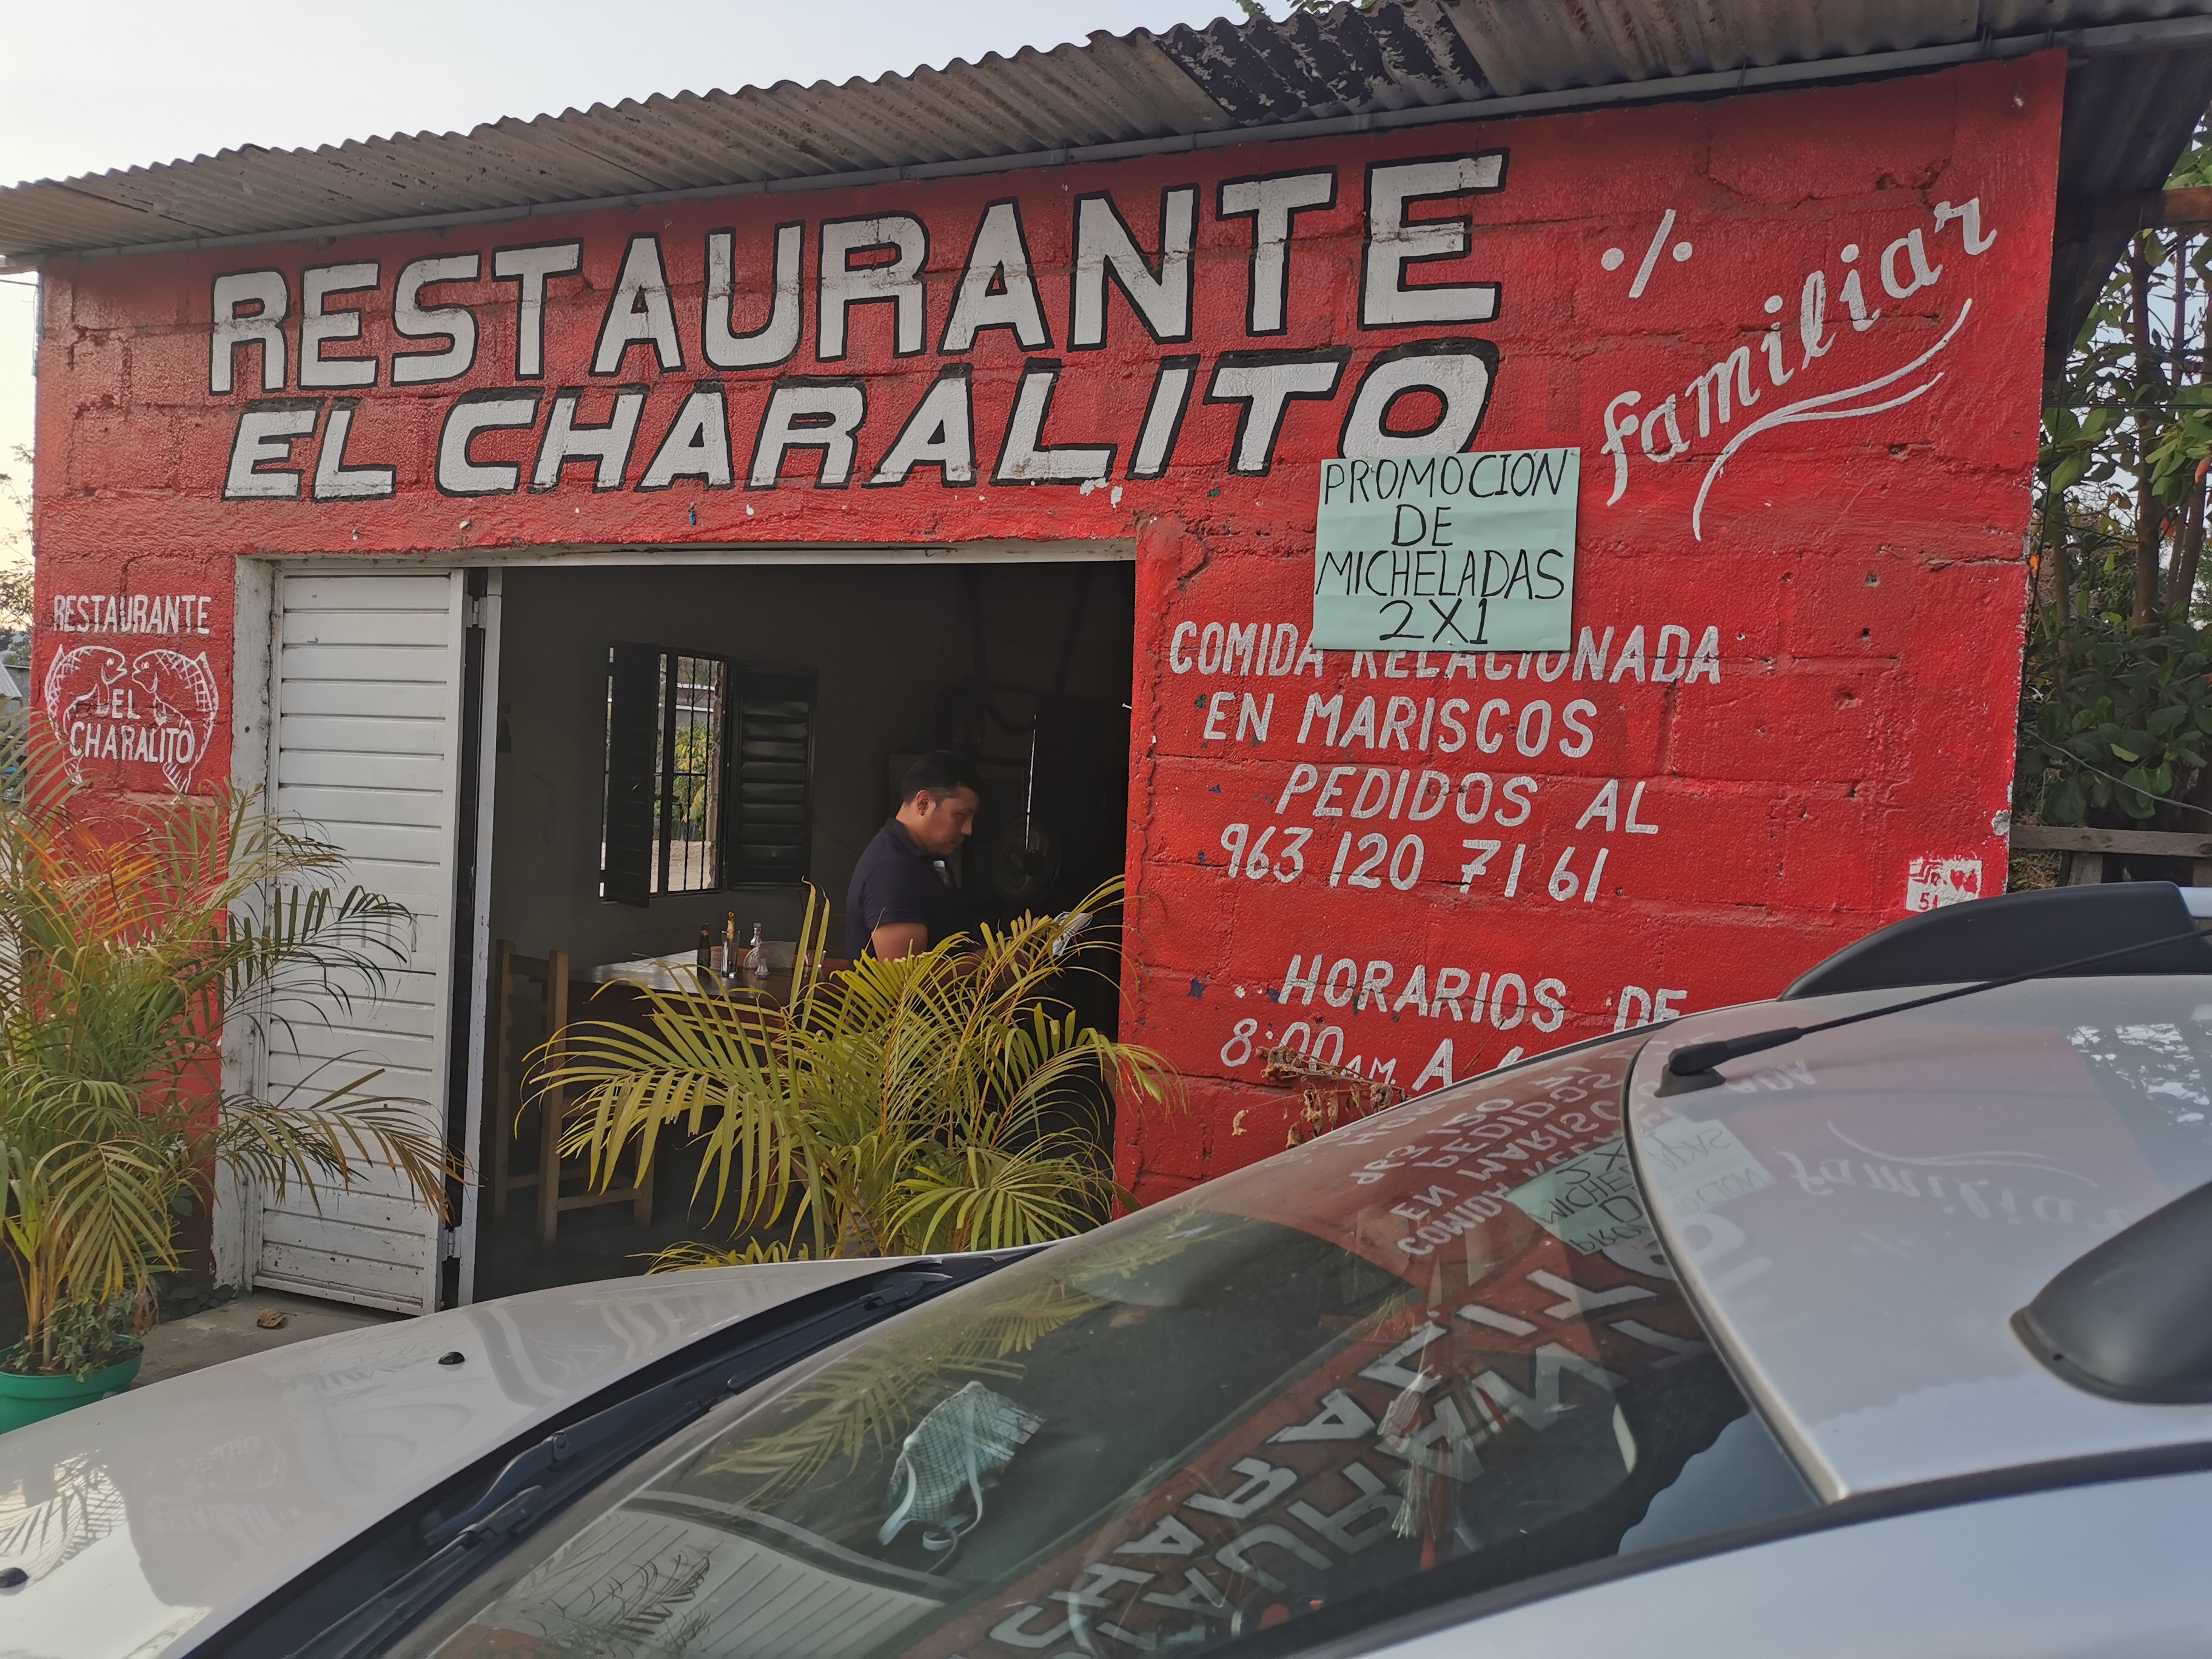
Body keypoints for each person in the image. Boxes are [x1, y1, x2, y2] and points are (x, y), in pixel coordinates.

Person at [846, 750, 982, 960]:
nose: (968, 830)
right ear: (924, 803)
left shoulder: (924, 858)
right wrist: (988, 964)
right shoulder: (892, 870)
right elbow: (906, 981)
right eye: (961, 815)